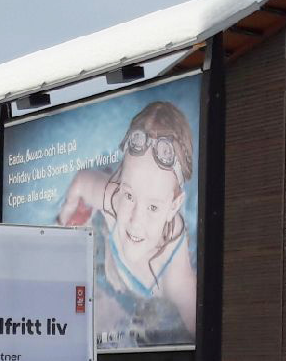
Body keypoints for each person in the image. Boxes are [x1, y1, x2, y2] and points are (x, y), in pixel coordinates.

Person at [56, 101, 199, 348]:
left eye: (153, 207)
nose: (135, 219)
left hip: (144, 292)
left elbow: (200, 324)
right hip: (112, 261)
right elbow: (81, 182)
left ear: (173, 207)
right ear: (120, 183)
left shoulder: (173, 265)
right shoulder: (112, 198)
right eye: (129, 195)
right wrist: (63, 221)